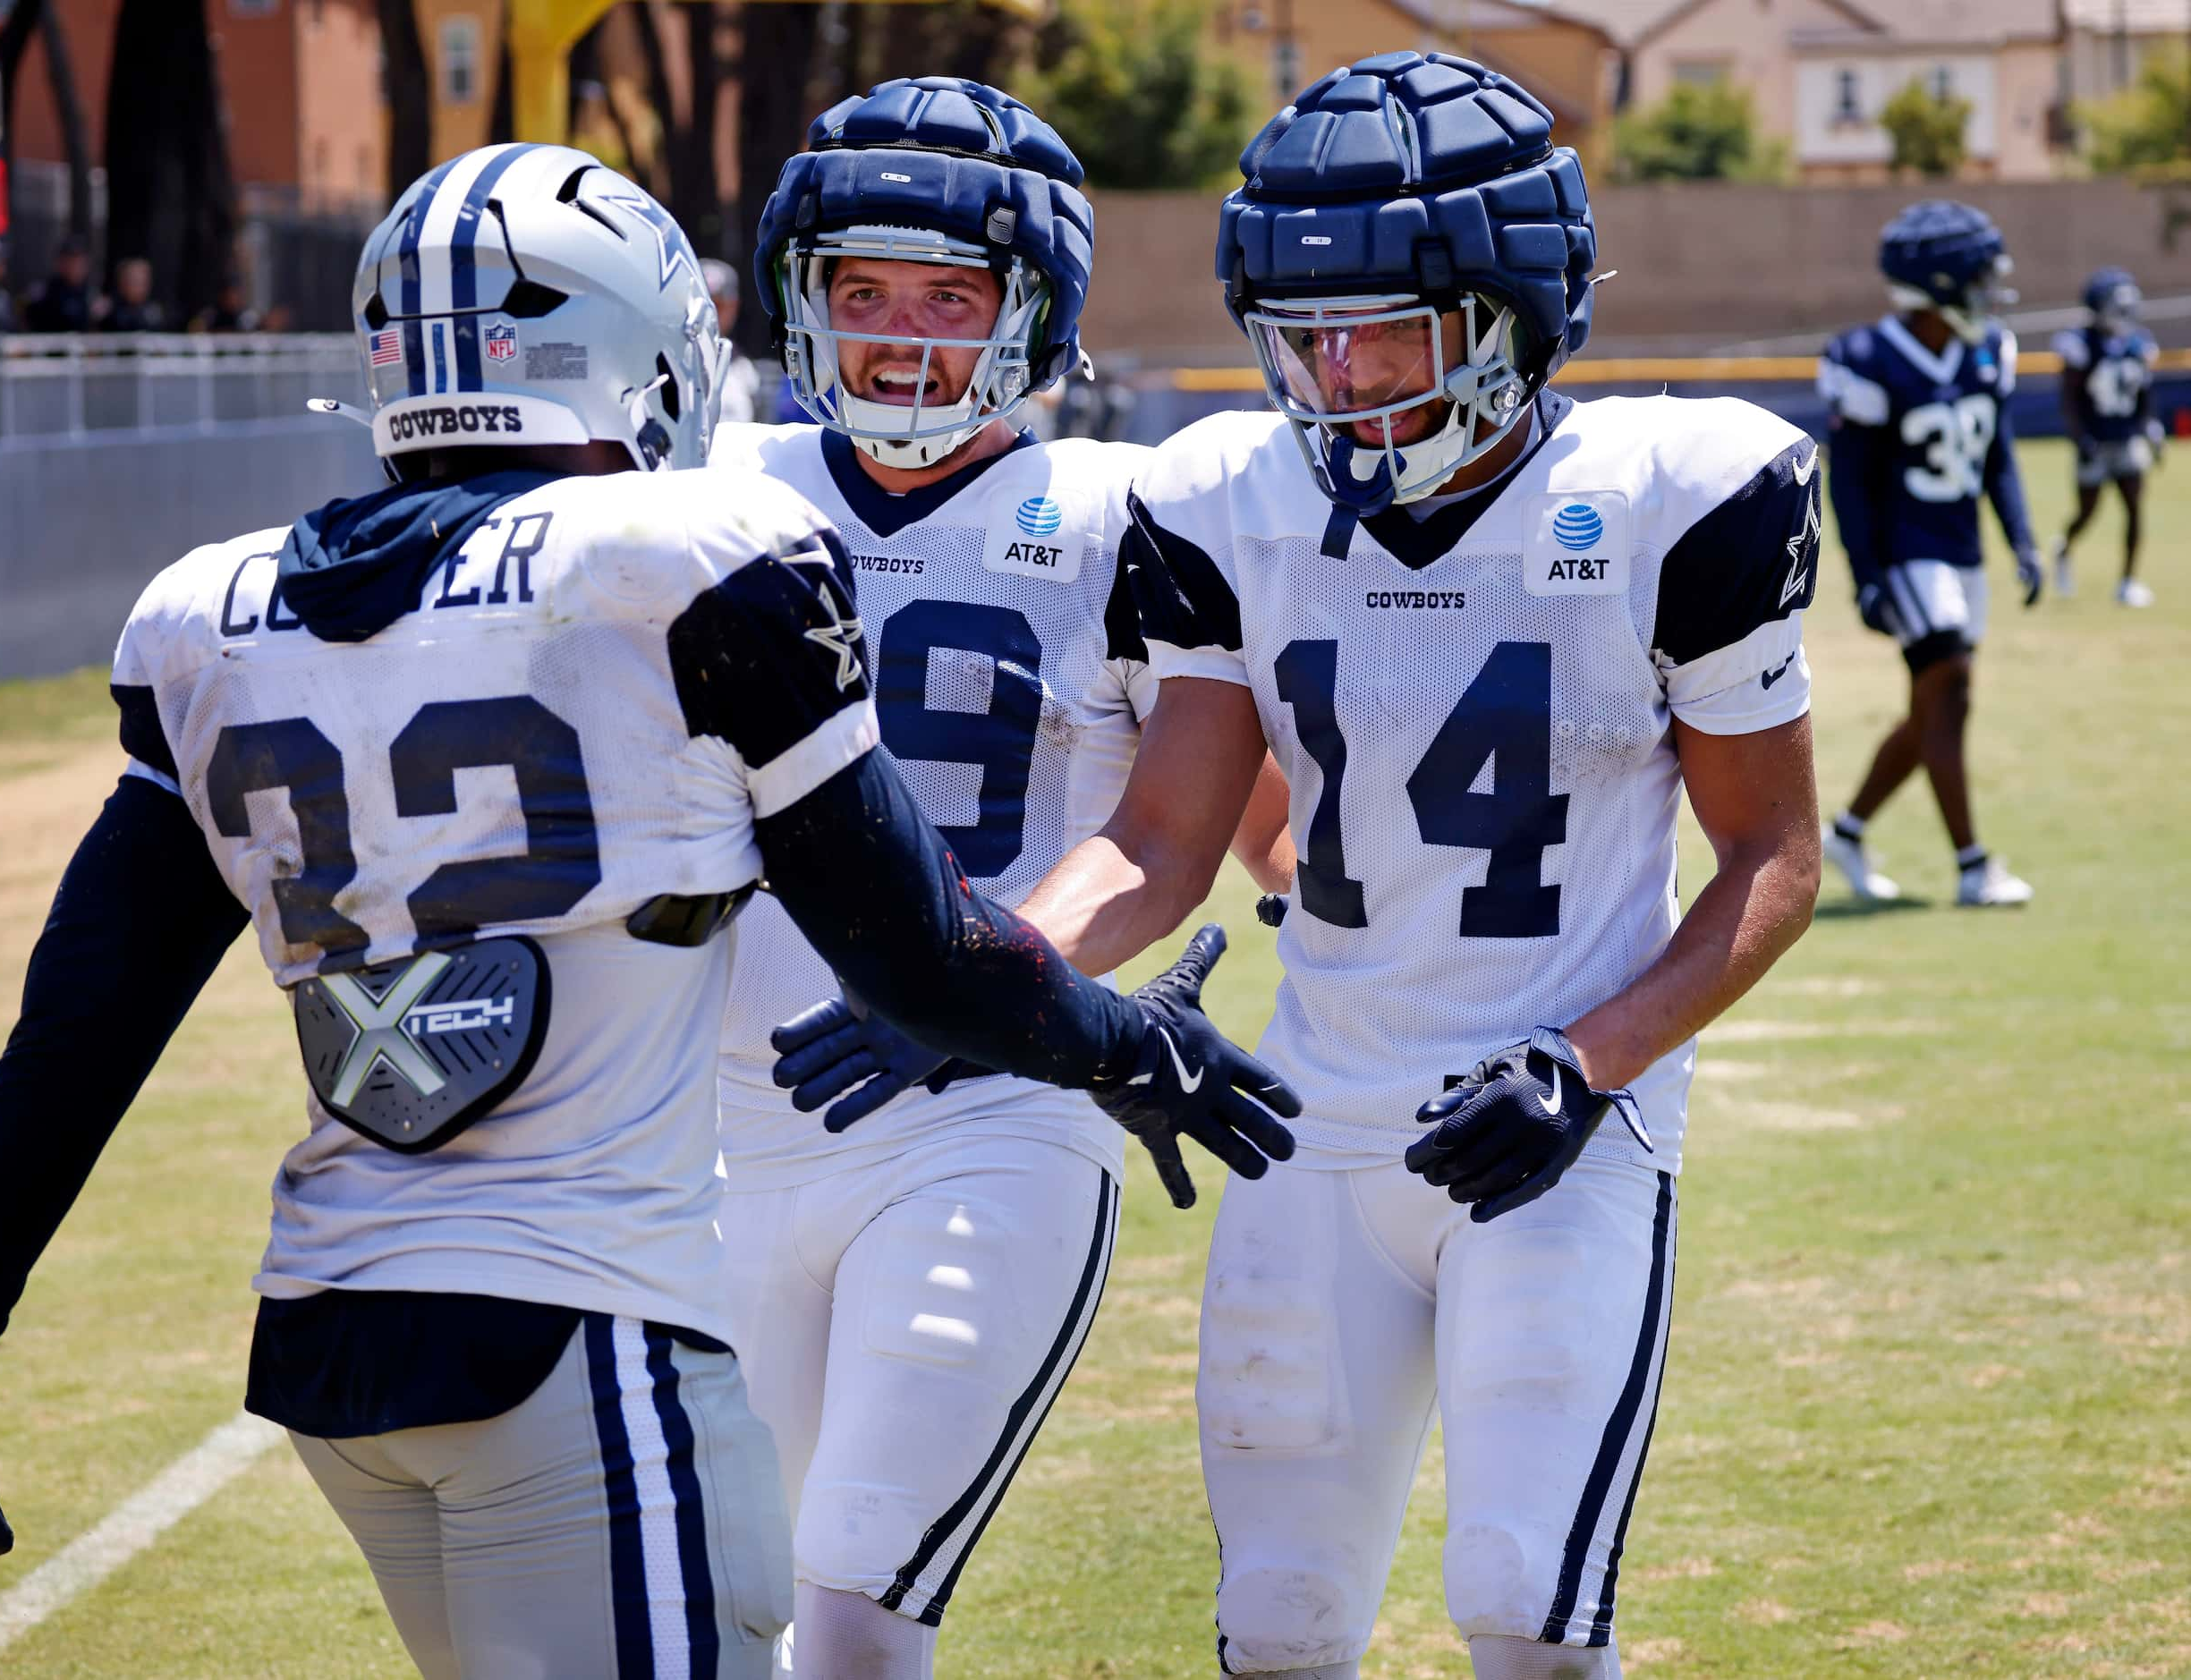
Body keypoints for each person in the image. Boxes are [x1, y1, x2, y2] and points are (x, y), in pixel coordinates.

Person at [0, 142, 1295, 1678]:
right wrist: (1133, 1049)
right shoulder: (683, 559)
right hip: (583, 1329)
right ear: (637, 348)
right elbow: (924, 954)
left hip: (333, 1333)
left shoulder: (211, 608)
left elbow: (75, 1034)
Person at [775, 53, 1825, 1679]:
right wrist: (974, 972)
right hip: (1314, 1127)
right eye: (1302, 330)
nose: (1335, 372)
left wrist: (1585, 1062)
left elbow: (1771, 853)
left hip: (1554, 1122)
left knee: (1523, 1605)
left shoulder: (1672, 498)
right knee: (1275, 1624)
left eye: (1384, 328)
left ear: (1509, 306)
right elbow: (1151, 845)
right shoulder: (1224, 498)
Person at [710, 77, 1288, 1680]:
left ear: (1030, 305)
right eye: (861, 289)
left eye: (947, 294)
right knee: (715, 1606)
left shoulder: (1128, 513)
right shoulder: (710, 490)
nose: (898, 333)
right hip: (706, 1125)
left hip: (988, 1115)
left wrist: (968, 985)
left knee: (852, 1605)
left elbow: (1192, 833)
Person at [1818, 200, 2039, 908]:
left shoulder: (1986, 351)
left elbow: (1998, 456)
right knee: (1950, 689)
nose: (1989, 291)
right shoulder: (1869, 359)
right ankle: (1973, 866)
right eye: (1978, 277)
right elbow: (1848, 483)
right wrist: (1868, 578)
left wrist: (2022, 538)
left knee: (1939, 708)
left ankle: (1848, 833)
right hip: (1910, 554)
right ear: (1942, 281)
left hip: (1962, 552)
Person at [2052, 266, 2161, 607]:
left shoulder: (2138, 343)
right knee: (2087, 513)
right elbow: (2069, 399)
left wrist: (2150, 427)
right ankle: (2064, 550)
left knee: (2133, 509)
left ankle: (2127, 582)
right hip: (2096, 441)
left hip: (2127, 438)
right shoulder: (2081, 344)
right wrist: (2080, 437)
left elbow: (2143, 394)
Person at [703, 259, 761, 422]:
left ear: (733, 307)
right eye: (706, 306)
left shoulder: (746, 370)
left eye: (719, 305)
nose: (712, 315)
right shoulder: (667, 362)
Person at [23, 236, 97, 332]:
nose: (76, 267)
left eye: (80, 262)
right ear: (59, 262)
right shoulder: (44, 291)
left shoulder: (90, 293)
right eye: (71, 261)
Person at [97, 255, 165, 332]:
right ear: (122, 282)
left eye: (143, 282)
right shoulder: (108, 309)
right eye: (134, 281)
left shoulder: (153, 312)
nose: (139, 287)